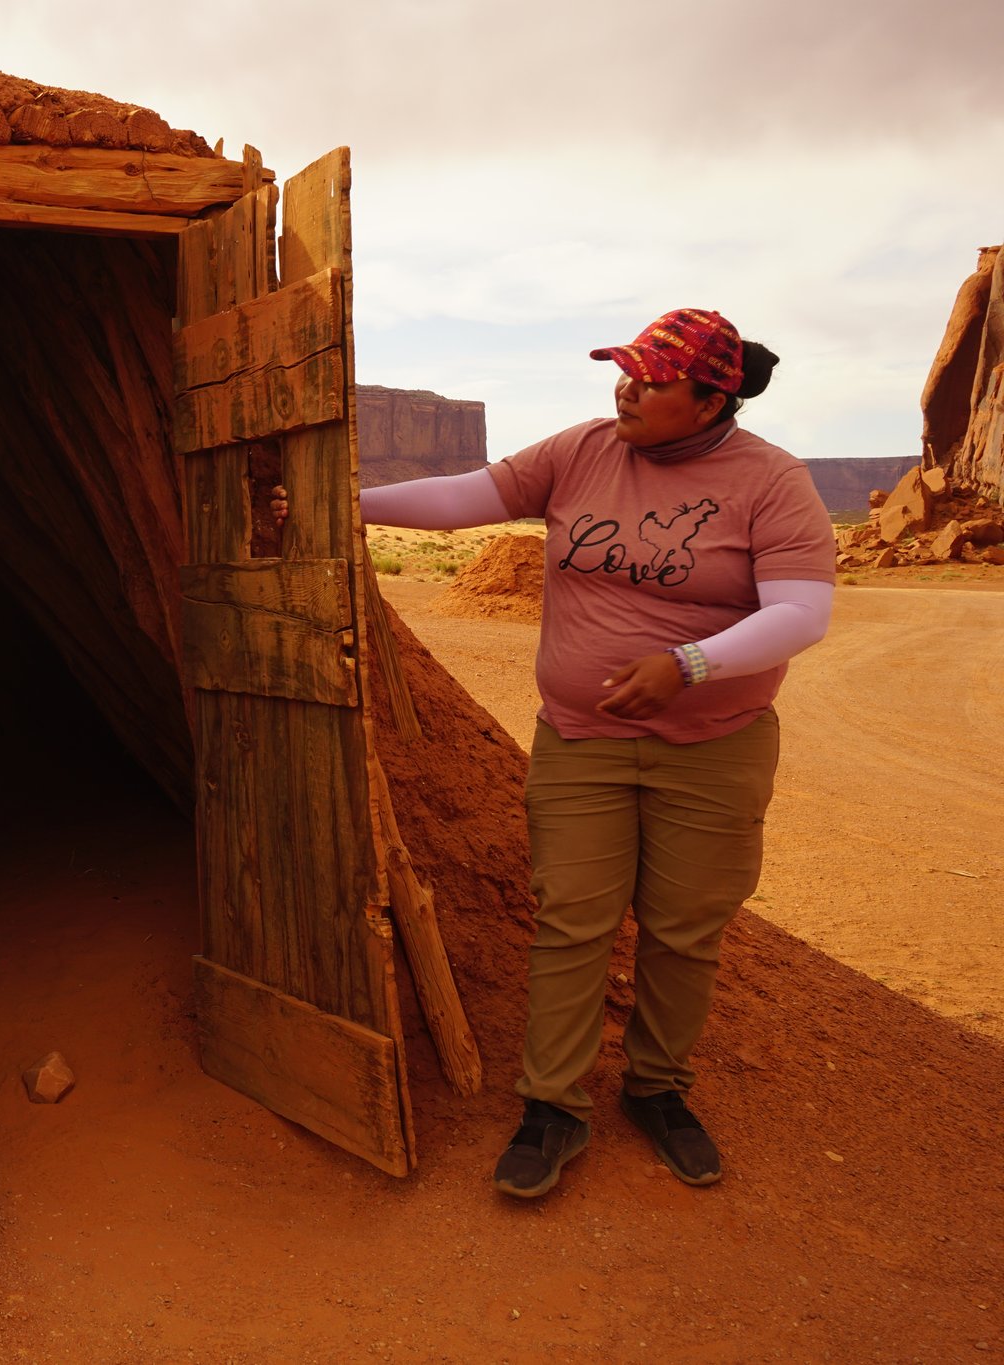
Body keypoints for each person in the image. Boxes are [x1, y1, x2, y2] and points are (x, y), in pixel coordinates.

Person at [345, 308, 836, 1197]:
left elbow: (801, 613)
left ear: (711, 400)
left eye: (652, 380)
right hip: (582, 741)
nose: (626, 390)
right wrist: (345, 499)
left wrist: (687, 666)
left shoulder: (772, 480)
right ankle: (552, 1105)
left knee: (684, 930)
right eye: (624, 371)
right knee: (572, 917)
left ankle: (657, 1088)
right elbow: (461, 500)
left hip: (713, 746)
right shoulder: (581, 451)